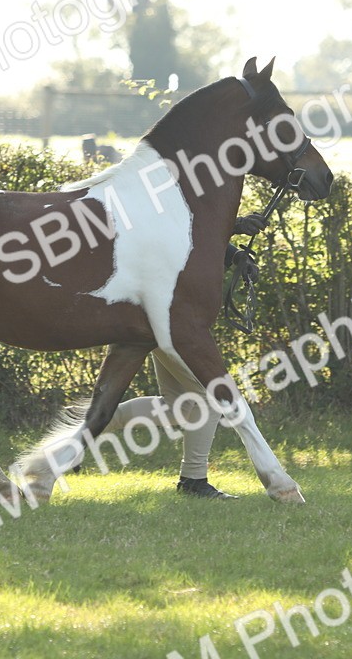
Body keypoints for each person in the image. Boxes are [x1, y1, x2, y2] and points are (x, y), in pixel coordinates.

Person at [98, 212, 268, 499]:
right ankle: (193, 480)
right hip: (166, 313)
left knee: (183, 406)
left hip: (167, 312)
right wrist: (233, 224)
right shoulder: (161, 183)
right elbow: (173, 222)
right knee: (209, 395)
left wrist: (234, 255)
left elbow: (189, 228)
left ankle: (90, 425)